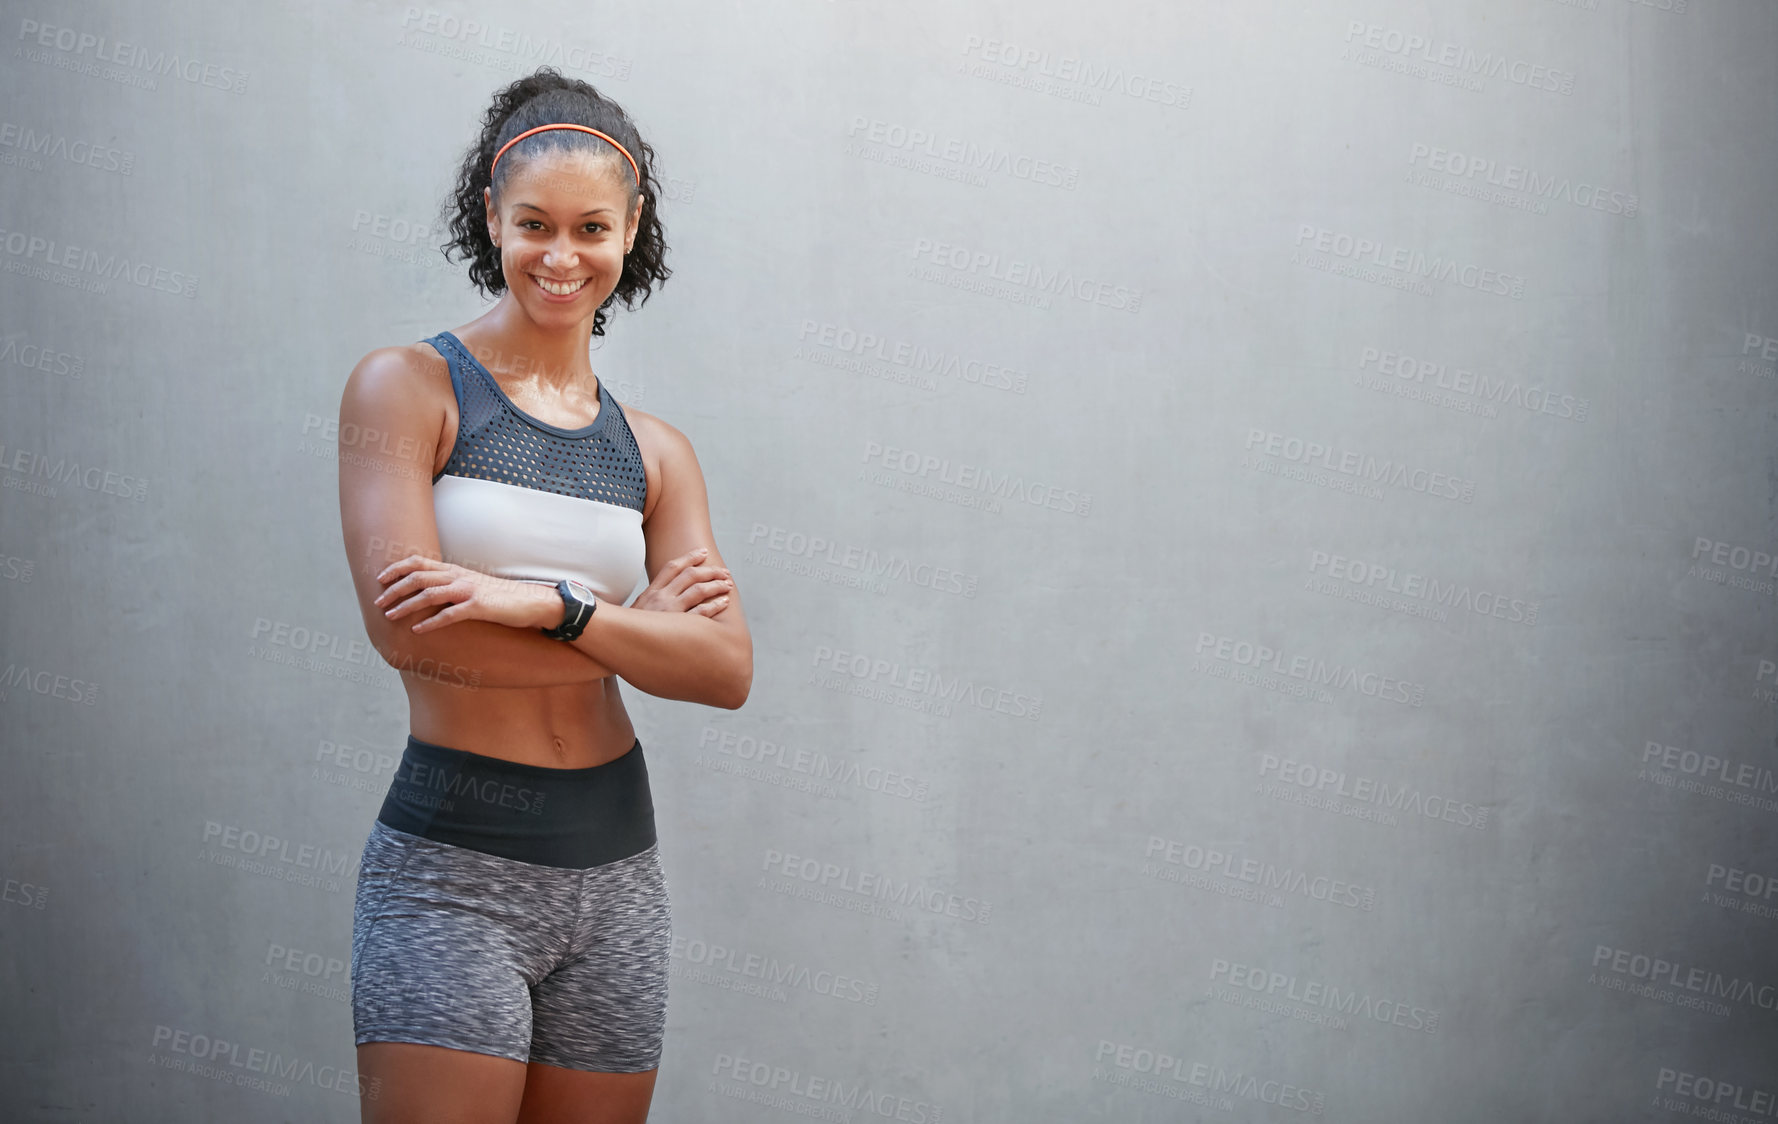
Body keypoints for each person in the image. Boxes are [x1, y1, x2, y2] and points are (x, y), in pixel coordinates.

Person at [334, 66, 751, 1123]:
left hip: (616, 874)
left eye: (590, 228)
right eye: (533, 225)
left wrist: (543, 604)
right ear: (491, 216)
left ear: (630, 228)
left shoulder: (656, 452)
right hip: (451, 872)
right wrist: (634, 628)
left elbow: (724, 669)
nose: (561, 258)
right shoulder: (408, 389)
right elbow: (413, 639)